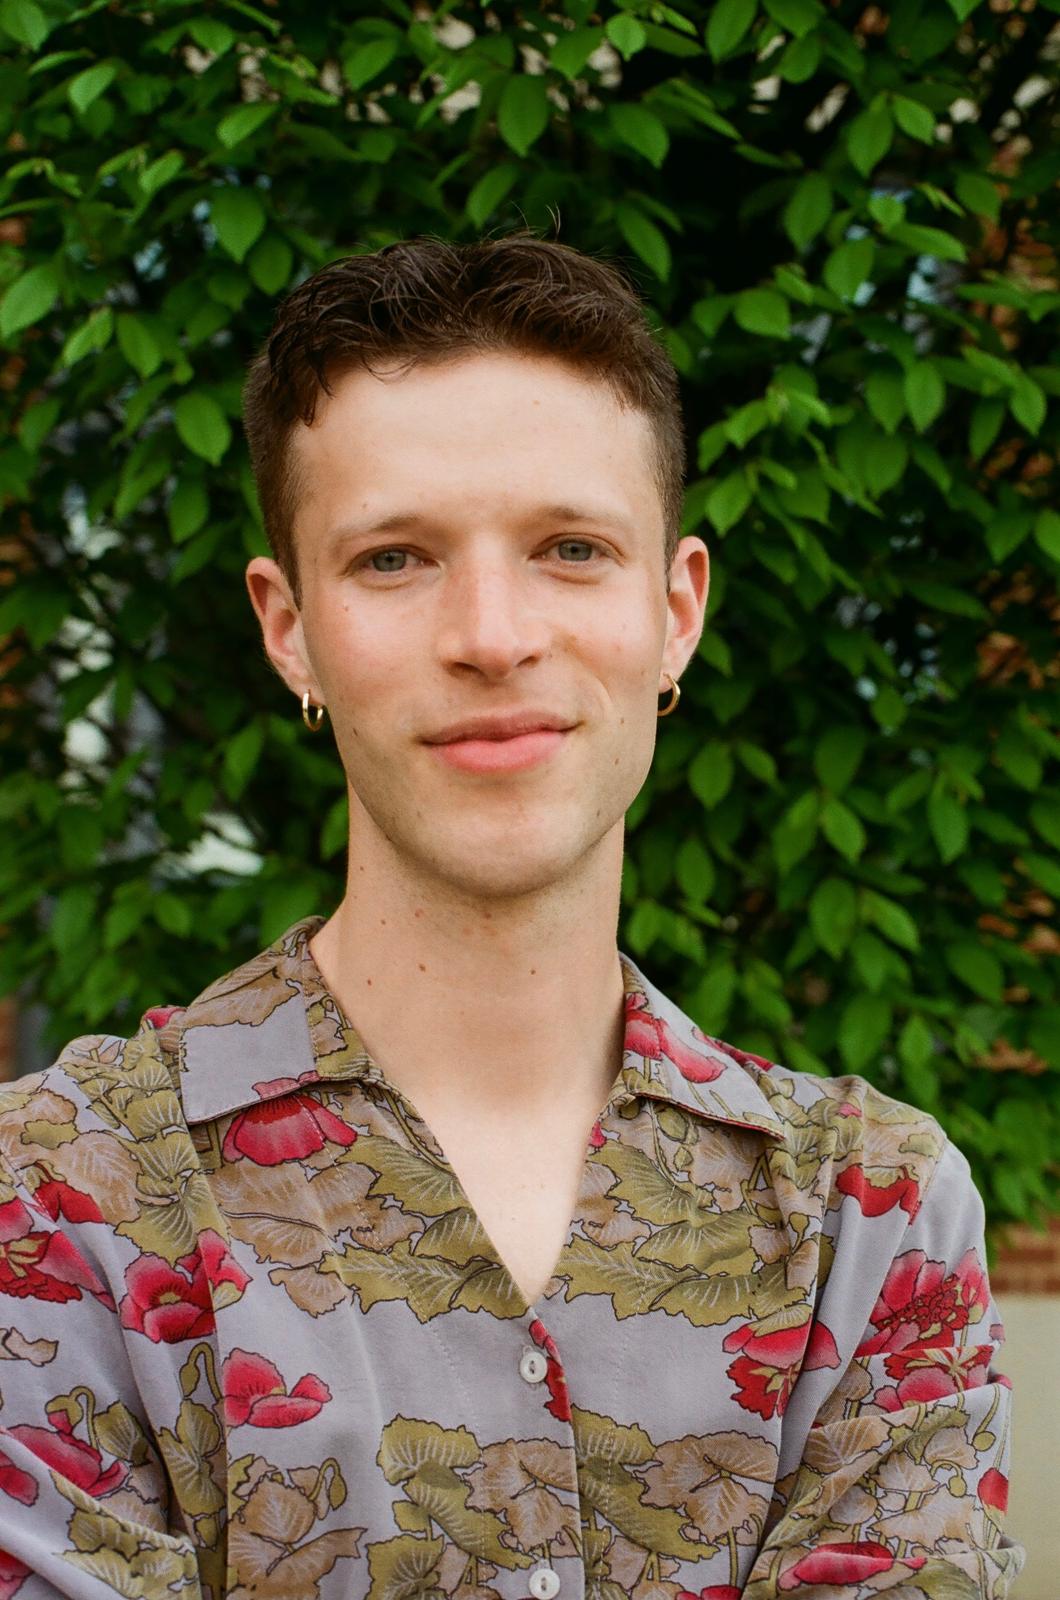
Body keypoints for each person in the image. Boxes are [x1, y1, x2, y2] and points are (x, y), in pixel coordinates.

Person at [0, 235, 1023, 1600]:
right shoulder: (60, 1201)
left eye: (571, 549)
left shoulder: (872, 1218)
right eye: (395, 559)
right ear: (288, 626)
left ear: (675, 614)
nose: (491, 632)